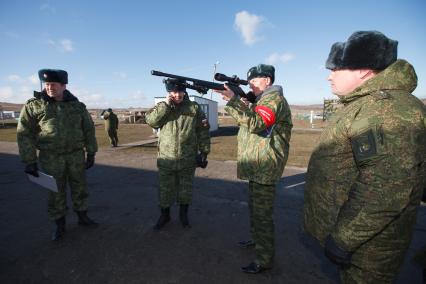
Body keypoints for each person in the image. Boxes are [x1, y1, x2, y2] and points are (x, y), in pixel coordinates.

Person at [303, 31, 426, 283]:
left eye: (336, 68)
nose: (329, 75)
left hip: (369, 248)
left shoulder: (385, 109)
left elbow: (386, 188)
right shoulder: (370, 104)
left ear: (362, 70)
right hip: (363, 240)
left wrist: (344, 238)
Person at [214, 64, 293, 274]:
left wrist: (233, 101)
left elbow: (257, 124)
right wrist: (242, 103)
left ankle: (264, 259)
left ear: (267, 81)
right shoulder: (260, 101)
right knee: (255, 210)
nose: (251, 85)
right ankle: (258, 241)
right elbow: (252, 121)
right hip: (257, 164)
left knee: (262, 215)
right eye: (249, 81)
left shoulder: (273, 99)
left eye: (255, 81)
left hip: (265, 165)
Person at [17, 69, 99, 241]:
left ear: (63, 85)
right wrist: (29, 160)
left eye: (53, 84)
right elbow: (24, 133)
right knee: (55, 192)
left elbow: (88, 129)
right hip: (50, 157)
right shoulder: (35, 105)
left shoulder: (77, 106)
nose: (49, 88)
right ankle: (59, 224)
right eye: (46, 84)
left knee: (80, 187)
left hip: (75, 156)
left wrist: (91, 152)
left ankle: (82, 216)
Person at [145, 78, 210, 230]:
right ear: (168, 92)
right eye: (174, 92)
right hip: (166, 158)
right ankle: (165, 215)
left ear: (184, 91)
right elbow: (152, 122)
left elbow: (203, 130)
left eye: (180, 91)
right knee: (165, 189)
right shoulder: (162, 107)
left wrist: (204, 151)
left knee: (185, 189)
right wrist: (166, 106)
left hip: (187, 158)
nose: (177, 95)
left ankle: (183, 215)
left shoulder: (193, 108)